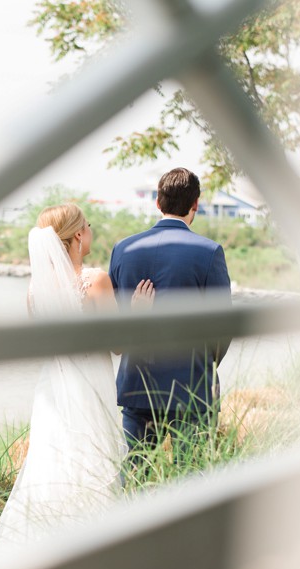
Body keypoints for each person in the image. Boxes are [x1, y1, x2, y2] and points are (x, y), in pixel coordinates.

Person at [0, 204, 153, 544]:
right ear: (78, 234)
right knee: (93, 461)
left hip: (52, 390)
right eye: (88, 225)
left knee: (50, 463)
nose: (91, 231)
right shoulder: (95, 280)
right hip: (90, 388)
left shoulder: (36, 291)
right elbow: (119, 345)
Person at [108, 167, 232, 453]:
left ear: (157, 202)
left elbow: (112, 321)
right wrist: (205, 364)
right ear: (195, 205)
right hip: (192, 387)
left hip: (137, 386)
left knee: (136, 476)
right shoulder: (209, 252)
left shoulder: (123, 249)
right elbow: (223, 327)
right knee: (191, 479)